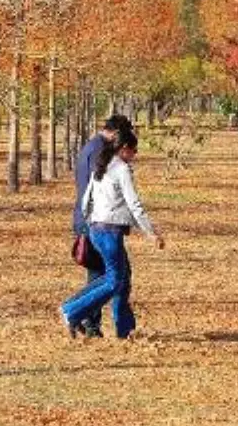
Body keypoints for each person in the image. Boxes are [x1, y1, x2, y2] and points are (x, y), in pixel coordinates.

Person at [61, 130, 164, 340]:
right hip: (109, 232)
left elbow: (87, 198)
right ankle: (72, 310)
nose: (134, 155)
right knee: (114, 281)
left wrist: (89, 222)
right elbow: (133, 203)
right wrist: (150, 233)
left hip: (97, 228)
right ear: (124, 147)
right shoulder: (121, 168)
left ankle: (125, 330)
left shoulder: (102, 164)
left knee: (121, 278)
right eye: (133, 150)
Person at [72, 114, 133, 337]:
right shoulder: (100, 152)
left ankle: (89, 319)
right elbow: (98, 191)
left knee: (105, 275)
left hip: (92, 221)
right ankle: (84, 319)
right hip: (98, 223)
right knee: (110, 277)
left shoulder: (92, 146)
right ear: (116, 133)